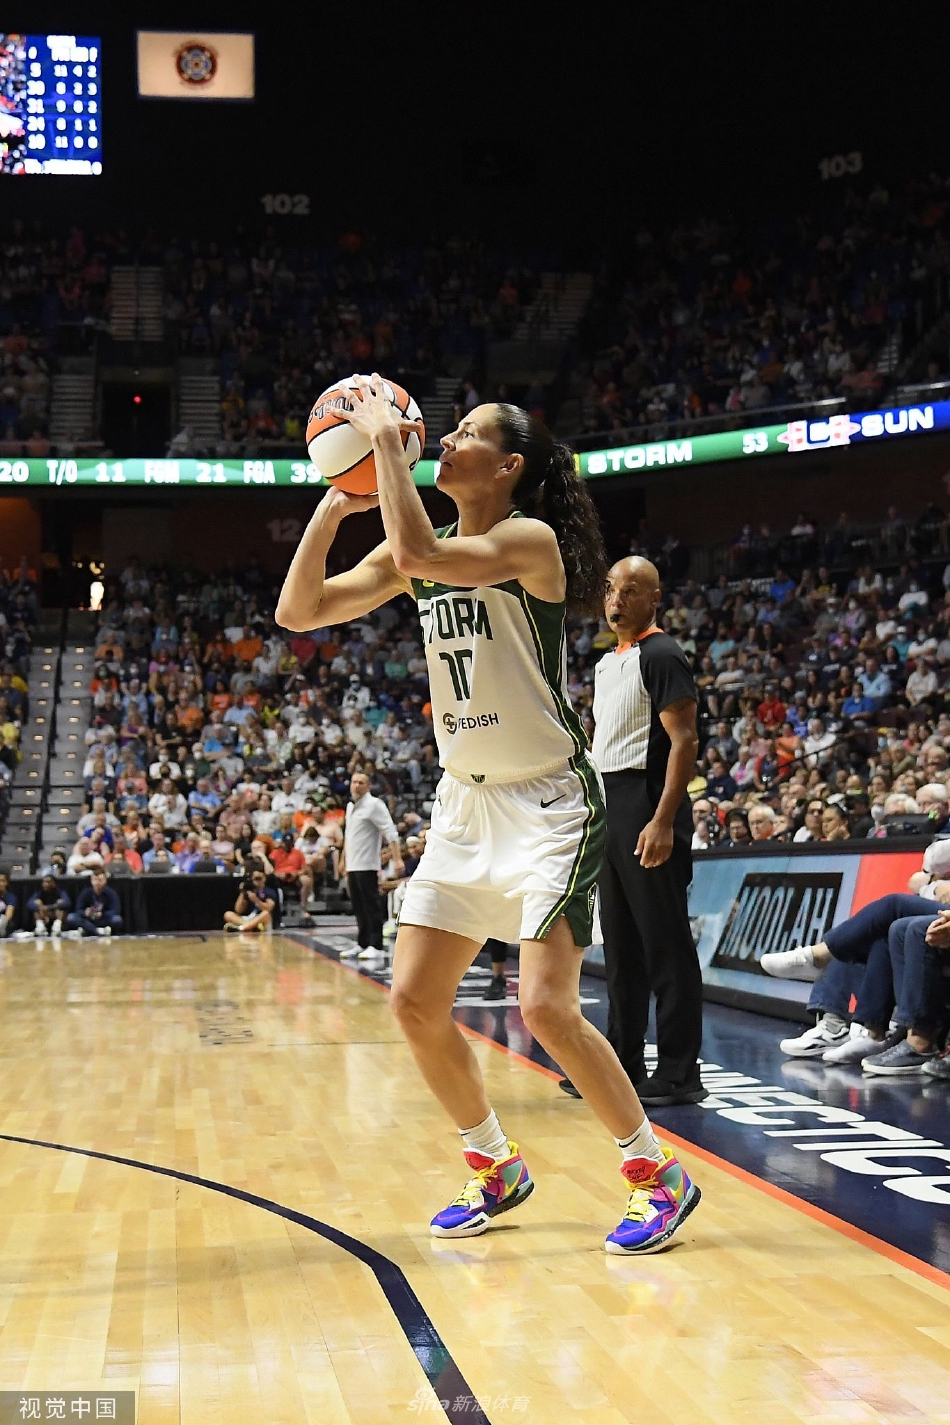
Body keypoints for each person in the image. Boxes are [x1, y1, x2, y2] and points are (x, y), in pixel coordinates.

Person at [276, 386, 700, 1255]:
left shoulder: (526, 541)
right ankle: (494, 1162)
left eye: (465, 433)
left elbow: (418, 545)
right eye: (448, 428)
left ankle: (660, 1174)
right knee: (414, 1001)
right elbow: (300, 611)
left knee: (545, 1006)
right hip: (466, 803)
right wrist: (333, 501)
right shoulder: (416, 551)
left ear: (508, 467)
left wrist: (386, 453)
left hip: (550, 801)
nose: (445, 437)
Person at [562, 556, 705, 1108]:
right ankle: (621, 1064)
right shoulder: (607, 663)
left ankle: (679, 1070)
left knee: (665, 944)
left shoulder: (663, 653)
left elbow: (684, 741)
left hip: (648, 802)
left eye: (631, 590)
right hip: (611, 803)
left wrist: (664, 819)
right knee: (620, 946)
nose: (617, 599)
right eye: (610, 590)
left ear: (654, 598)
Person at [339, 771, 403, 961]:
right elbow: (348, 836)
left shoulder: (374, 805)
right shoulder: (351, 806)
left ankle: (376, 945)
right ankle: (362, 943)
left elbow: (390, 832)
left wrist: (397, 858)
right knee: (358, 906)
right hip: (353, 864)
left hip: (367, 864)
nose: (356, 785)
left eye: (361, 782)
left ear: (368, 786)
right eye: (354, 782)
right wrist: (343, 859)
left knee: (371, 905)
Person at [64, 869, 123, 938]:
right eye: (95, 880)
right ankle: (98, 931)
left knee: (117, 919)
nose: (97, 883)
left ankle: (88, 930)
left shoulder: (111, 893)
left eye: (100, 880)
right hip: (88, 919)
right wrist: (85, 913)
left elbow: (115, 910)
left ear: (105, 881)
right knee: (71, 917)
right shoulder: (86, 892)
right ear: (91, 881)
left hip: (103, 919)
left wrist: (102, 914)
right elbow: (78, 909)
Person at [224, 863, 276, 932]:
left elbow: (269, 908)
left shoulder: (269, 891)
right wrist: (242, 891)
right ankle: (250, 926)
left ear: (264, 879)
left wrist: (256, 900)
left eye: (260, 878)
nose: (258, 881)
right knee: (228, 914)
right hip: (250, 918)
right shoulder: (248, 890)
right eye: (256, 879)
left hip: (260, 919)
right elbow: (238, 910)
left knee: (265, 914)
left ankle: (241, 928)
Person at [0, 871, 16, 937]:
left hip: (3, 923)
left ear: (6, 883)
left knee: (3, 919)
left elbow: (8, 916)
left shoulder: (10, 897)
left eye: (2, 881)